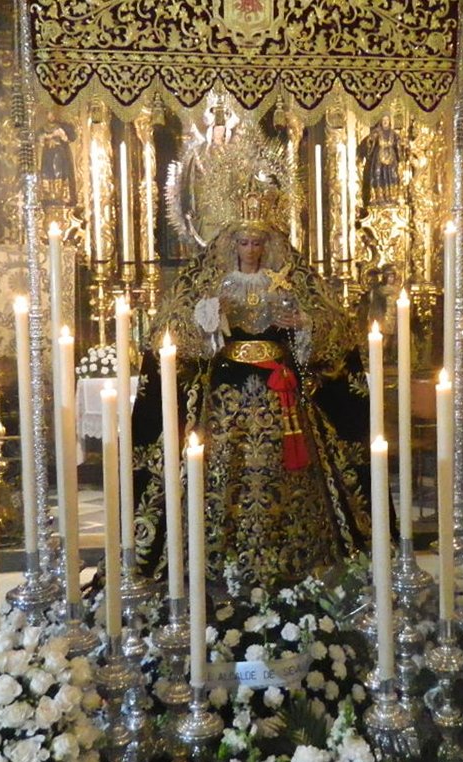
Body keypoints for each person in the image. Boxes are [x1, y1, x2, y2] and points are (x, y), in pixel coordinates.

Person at [129, 208, 374, 589]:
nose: (250, 249)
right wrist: (210, 318)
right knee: (220, 463)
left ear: (266, 246)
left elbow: (330, 329)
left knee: (288, 461)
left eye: (257, 243)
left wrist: (302, 325)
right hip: (227, 391)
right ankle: (218, 552)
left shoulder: (284, 282)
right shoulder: (218, 284)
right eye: (244, 242)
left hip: (280, 389)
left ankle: (296, 551)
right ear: (233, 246)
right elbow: (182, 334)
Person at [358, 115, 403, 208]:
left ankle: (391, 196)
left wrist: (400, 145)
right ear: (380, 121)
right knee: (378, 174)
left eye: (387, 120)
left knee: (392, 175)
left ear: (390, 121)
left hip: (391, 158)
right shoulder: (377, 132)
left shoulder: (393, 133)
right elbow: (369, 142)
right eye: (383, 120)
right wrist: (370, 141)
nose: (385, 122)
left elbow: (399, 143)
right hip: (379, 157)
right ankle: (379, 197)